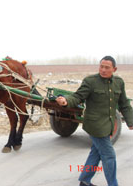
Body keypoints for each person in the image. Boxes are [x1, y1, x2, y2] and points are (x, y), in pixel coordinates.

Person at [56, 56, 133, 186]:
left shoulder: (118, 83)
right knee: (109, 156)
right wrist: (66, 101)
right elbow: (78, 96)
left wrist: (130, 121)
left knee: (96, 153)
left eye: (107, 67)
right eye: (101, 66)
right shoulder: (90, 81)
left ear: (114, 69)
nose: (103, 70)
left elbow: (124, 103)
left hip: (107, 125)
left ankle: (85, 181)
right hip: (95, 126)